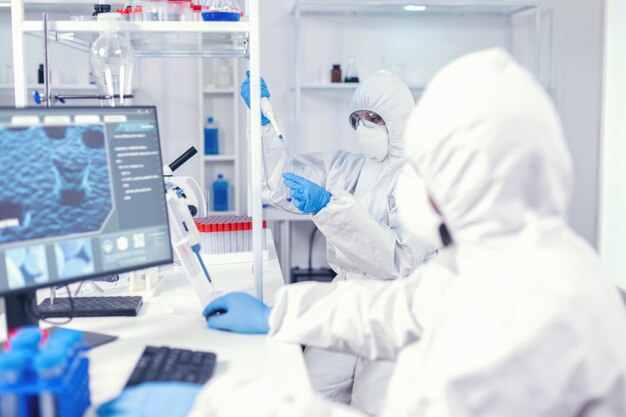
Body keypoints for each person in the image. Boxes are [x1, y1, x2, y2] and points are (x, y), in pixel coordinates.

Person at [99, 48, 626, 417]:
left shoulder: (534, 309)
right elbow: (386, 312)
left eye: (433, 168)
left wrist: (223, 404)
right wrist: (278, 315)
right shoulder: (503, 263)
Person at [238, 69, 434, 414]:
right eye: (357, 120)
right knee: (307, 396)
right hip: (345, 302)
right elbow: (281, 184)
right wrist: (264, 121)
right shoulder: (346, 167)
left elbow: (398, 261)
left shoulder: (422, 182)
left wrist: (329, 207)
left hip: (394, 317)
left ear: (398, 121)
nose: (364, 128)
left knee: (374, 406)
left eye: (374, 119)